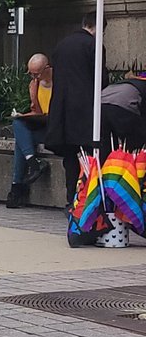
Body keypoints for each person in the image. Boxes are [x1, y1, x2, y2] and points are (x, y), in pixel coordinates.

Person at [45, 12, 107, 204]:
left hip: (63, 111)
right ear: (98, 28)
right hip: (84, 111)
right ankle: (86, 198)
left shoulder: (62, 44)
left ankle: (71, 198)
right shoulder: (93, 45)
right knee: (89, 156)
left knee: (70, 158)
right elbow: (101, 80)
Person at [6, 53, 53, 209]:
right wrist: (24, 116)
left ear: (47, 68)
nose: (34, 77)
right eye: (31, 73)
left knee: (20, 144)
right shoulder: (34, 84)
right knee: (18, 124)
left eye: (36, 73)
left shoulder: (60, 83)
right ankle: (33, 163)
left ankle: (16, 188)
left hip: (55, 128)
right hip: (41, 125)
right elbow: (36, 110)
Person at [101, 73, 146, 152]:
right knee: (135, 144)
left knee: (108, 144)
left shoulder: (127, 82)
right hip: (122, 107)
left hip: (100, 105)